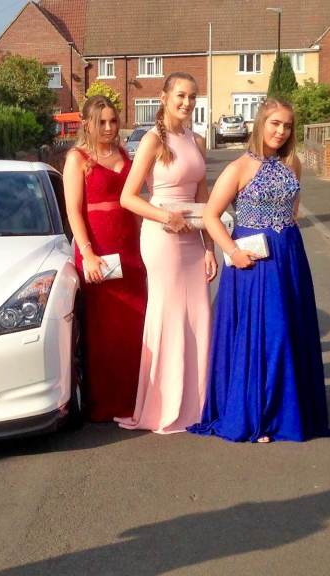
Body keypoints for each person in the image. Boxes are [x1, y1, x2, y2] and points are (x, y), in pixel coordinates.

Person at [189, 98, 330, 443]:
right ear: (261, 124)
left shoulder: (293, 163)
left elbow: (293, 210)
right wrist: (233, 251)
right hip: (252, 261)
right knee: (264, 336)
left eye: (287, 126)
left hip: (288, 256)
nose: (281, 131)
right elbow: (210, 215)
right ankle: (259, 417)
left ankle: (288, 411)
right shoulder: (239, 167)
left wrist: (283, 235)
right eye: (275, 123)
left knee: (289, 330)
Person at [115, 72, 217, 433]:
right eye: (180, 96)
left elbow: (203, 198)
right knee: (169, 316)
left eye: (192, 96)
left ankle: (198, 402)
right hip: (163, 238)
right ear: (164, 97)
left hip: (193, 240)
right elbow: (128, 198)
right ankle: (162, 405)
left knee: (200, 315)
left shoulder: (196, 139)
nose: (187, 103)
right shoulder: (152, 140)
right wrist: (165, 217)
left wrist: (209, 247)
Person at [63, 95, 147, 421]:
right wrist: (87, 254)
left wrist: (145, 247)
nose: (109, 128)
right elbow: (73, 211)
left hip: (129, 250)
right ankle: (106, 405)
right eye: (102, 122)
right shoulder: (77, 159)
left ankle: (135, 401)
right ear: (87, 124)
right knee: (104, 332)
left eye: (113, 121)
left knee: (134, 326)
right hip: (97, 250)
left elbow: (135, 204)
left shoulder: (124, 154)